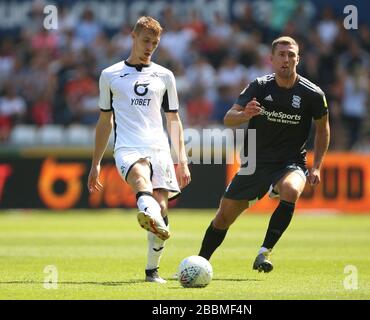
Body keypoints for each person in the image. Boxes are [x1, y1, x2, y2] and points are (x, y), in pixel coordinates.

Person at [198, 36, 330, 273]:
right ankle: (199, 263)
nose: (286, 59)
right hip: (255, 164)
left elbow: (323, 128)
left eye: (291, 55)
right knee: (223, 218)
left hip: (291, 163)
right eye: (281, 55)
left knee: (291, 189)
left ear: (298, 59)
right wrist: (245, 115)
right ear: (271, 59)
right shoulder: (259, 86)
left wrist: (317, 166)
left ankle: (264, 252)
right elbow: (228, 118)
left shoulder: (313, 93)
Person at [87, 16, 191, 283]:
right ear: (133, 37)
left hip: (160, 148)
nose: (150, 47)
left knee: (161, 207)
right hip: (128, 147)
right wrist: (95, 163)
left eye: (155, 43)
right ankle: (149, 214)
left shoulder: (165, 76)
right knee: (139, 176)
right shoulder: (109, 75)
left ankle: (151, 270)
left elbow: (173, 119)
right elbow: (104, 120)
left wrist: (182, 160)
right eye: (146, 41)